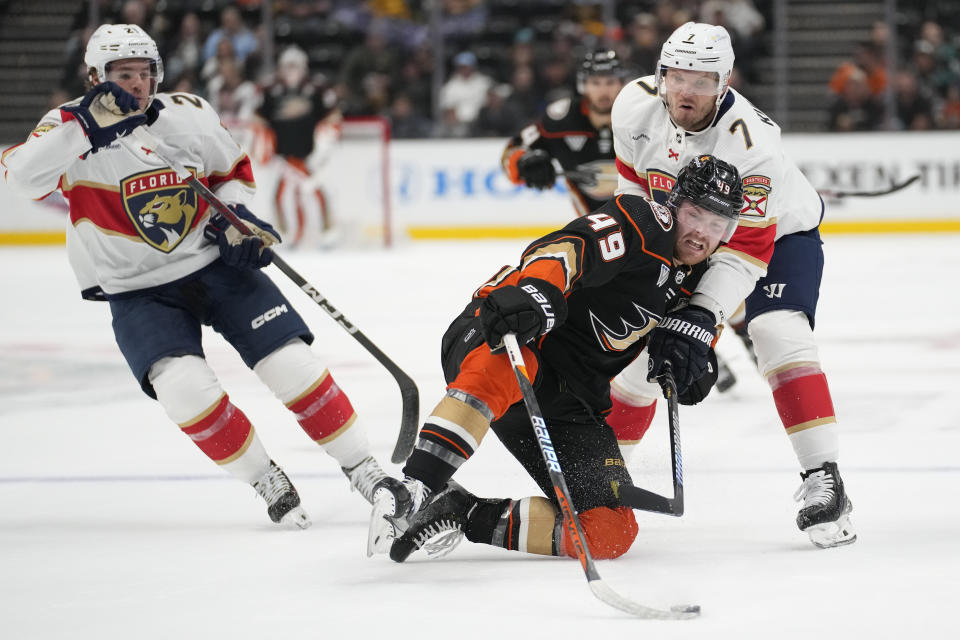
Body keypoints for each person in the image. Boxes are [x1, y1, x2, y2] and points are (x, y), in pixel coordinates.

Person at [1, 24, 401, 528]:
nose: (138, 84)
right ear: (95, 76)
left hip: (213, 266)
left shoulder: (187, 113)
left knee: (291, 364)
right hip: (138, 291)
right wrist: (85, 125)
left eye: (145, 72)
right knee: (184, 389)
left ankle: (364, 468)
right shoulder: (64, 128)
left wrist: (236, 221)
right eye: (124, 74)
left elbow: (231, 171)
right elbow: (19, 178)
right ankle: (264, 477)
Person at [367, 155, 743, 562]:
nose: (702, 232)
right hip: (507, 336)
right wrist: (537, 291)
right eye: (695, 214)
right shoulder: (646, 220)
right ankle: (417, 486)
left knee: (610, 532)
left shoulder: (706, 285)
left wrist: (691, 368)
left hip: (569, 401)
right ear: (674, 205)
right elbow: (571, 246)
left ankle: (463, 511)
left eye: (717, 223)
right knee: (513, 366)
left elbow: (695, 352)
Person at [609, 22, 855, 549]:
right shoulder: (632, 106)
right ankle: (601, 474)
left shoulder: (754, 144)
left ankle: (824, 478)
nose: (686, 90)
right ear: (660, 74)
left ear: (724, 82)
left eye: (702, 79)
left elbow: (746, 249)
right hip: (686, 231)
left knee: (777, 333)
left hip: (775, 238)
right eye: (677, 75)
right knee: (641, 358)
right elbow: (633, 190)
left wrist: (701, 317)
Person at [501, 49, 625, 218]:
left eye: (610, 82)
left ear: (622, 83)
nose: (603, 91)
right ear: (583, 85)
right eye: (596, 82)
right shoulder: (560, 120)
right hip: (591, 224)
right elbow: (513, 149)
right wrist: (524, 161)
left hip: (645, 221)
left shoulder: (641, 117)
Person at [256, 45, 342, 247]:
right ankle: (288, 234)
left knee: (315, 192)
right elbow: (258, 121)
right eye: (288, 66)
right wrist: (265, 148)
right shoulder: (271, 91)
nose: (292, 70)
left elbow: (333, 117)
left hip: (310, 156)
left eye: (296, 66)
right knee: (282, 196)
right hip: (282, 158)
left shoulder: (316, 90)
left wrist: (324, 146)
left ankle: (325, 231)